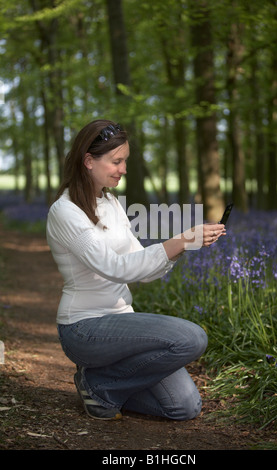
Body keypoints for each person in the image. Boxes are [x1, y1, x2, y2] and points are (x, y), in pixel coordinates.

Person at [46, 119, 226, 421]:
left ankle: (102, 383)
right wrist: (180, 240)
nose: (123, 169)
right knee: (192, 338)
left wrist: (183, 245)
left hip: (121, 323)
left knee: (184, 407)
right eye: (116, 161)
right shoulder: (65, 212)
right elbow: (114, 268)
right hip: (84, 327)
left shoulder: (111, 203)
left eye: (125, 161)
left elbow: (140, 268)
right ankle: (99, 383)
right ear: (89, 161)